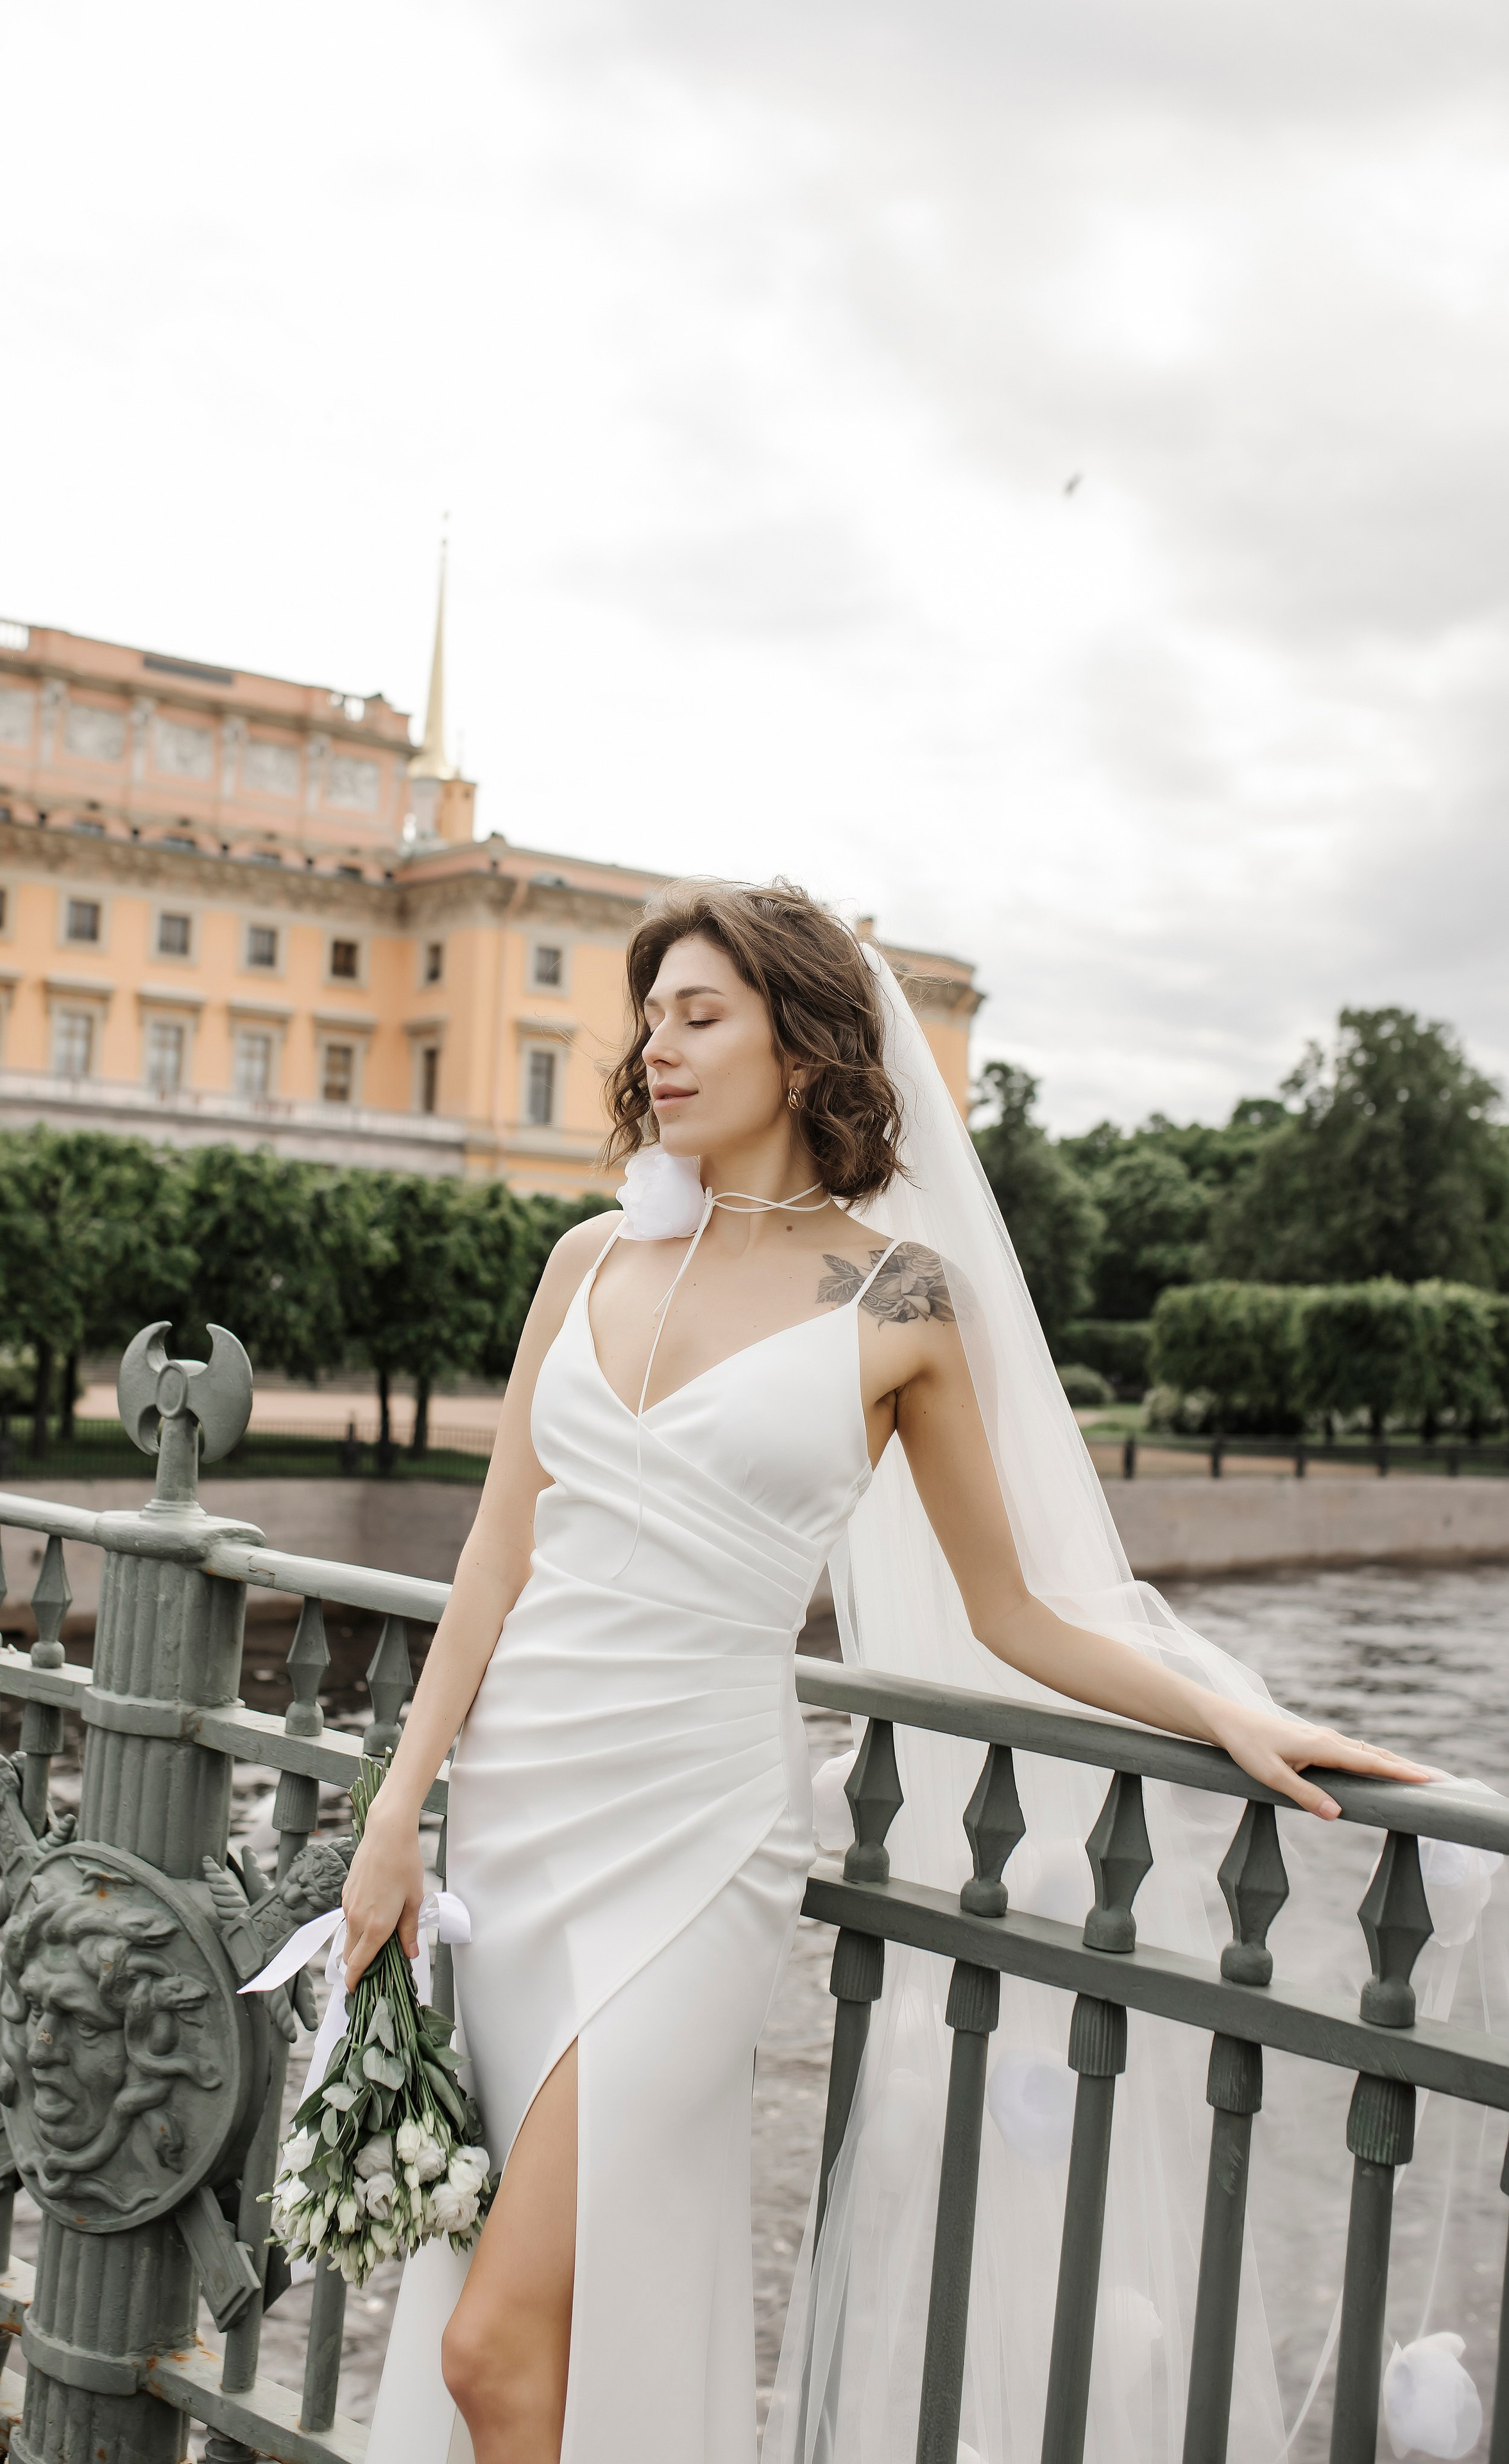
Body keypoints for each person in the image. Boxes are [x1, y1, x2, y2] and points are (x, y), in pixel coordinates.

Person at [342, 880, 1429, 2464]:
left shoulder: (897, 1299)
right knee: (538, 2307)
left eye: (698, 1014)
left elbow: (1015, 1610)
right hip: (512, 1819)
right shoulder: (582, 1260)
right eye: (648, 1018)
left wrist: (1220, 1709)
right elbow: (495, 1563)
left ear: (802, 1044)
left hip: (695, 1834)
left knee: (491, 2344)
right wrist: (394, 1815)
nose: (656, 1047)